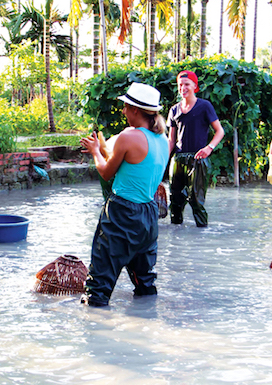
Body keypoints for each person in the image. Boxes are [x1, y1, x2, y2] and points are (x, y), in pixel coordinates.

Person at [79, 83, 170, 307]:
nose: (123, 111)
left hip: (121, 215)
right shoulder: (164, 141)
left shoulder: (128, 137)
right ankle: (148, 320)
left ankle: (94, 333)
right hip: (149, 215)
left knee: (98, 285)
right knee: (145, 282)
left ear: (135, 110)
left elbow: (106, 172)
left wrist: (95, 152)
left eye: (125, 107)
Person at [167, 70, 224, 227]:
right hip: (178, 159)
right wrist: (163, 159)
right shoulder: (174, 110)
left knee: (196, 200)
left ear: (194, 86)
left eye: (187, 84)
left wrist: (209, 148)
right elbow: (171, 140)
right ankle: (176, 233)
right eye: (180, 85)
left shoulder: (204, 106)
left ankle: (202, 234)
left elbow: (220, 131)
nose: (183, 88)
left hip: (198, 159)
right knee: (175, 199)